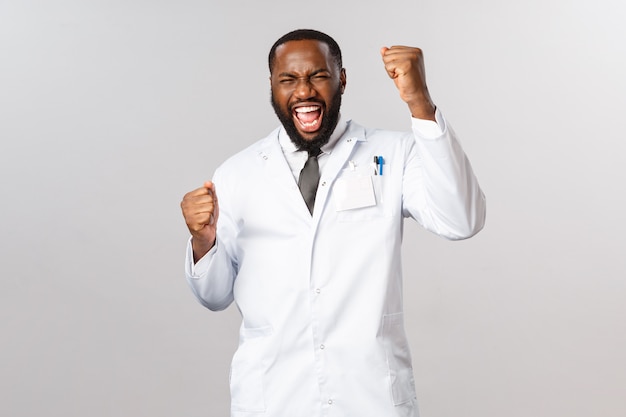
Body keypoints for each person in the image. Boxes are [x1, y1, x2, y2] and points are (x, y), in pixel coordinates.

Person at [180, 29, 486, 417]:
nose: (303, 91)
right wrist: (202, 241)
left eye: (318, 76)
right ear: (272, 86)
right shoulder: (237, 174)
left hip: (369, 397)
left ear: (341, 78)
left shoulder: (392, 154)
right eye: (288, 79)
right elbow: (214, 295)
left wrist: (419, 102)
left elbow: (461, 220)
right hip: (273, 398)